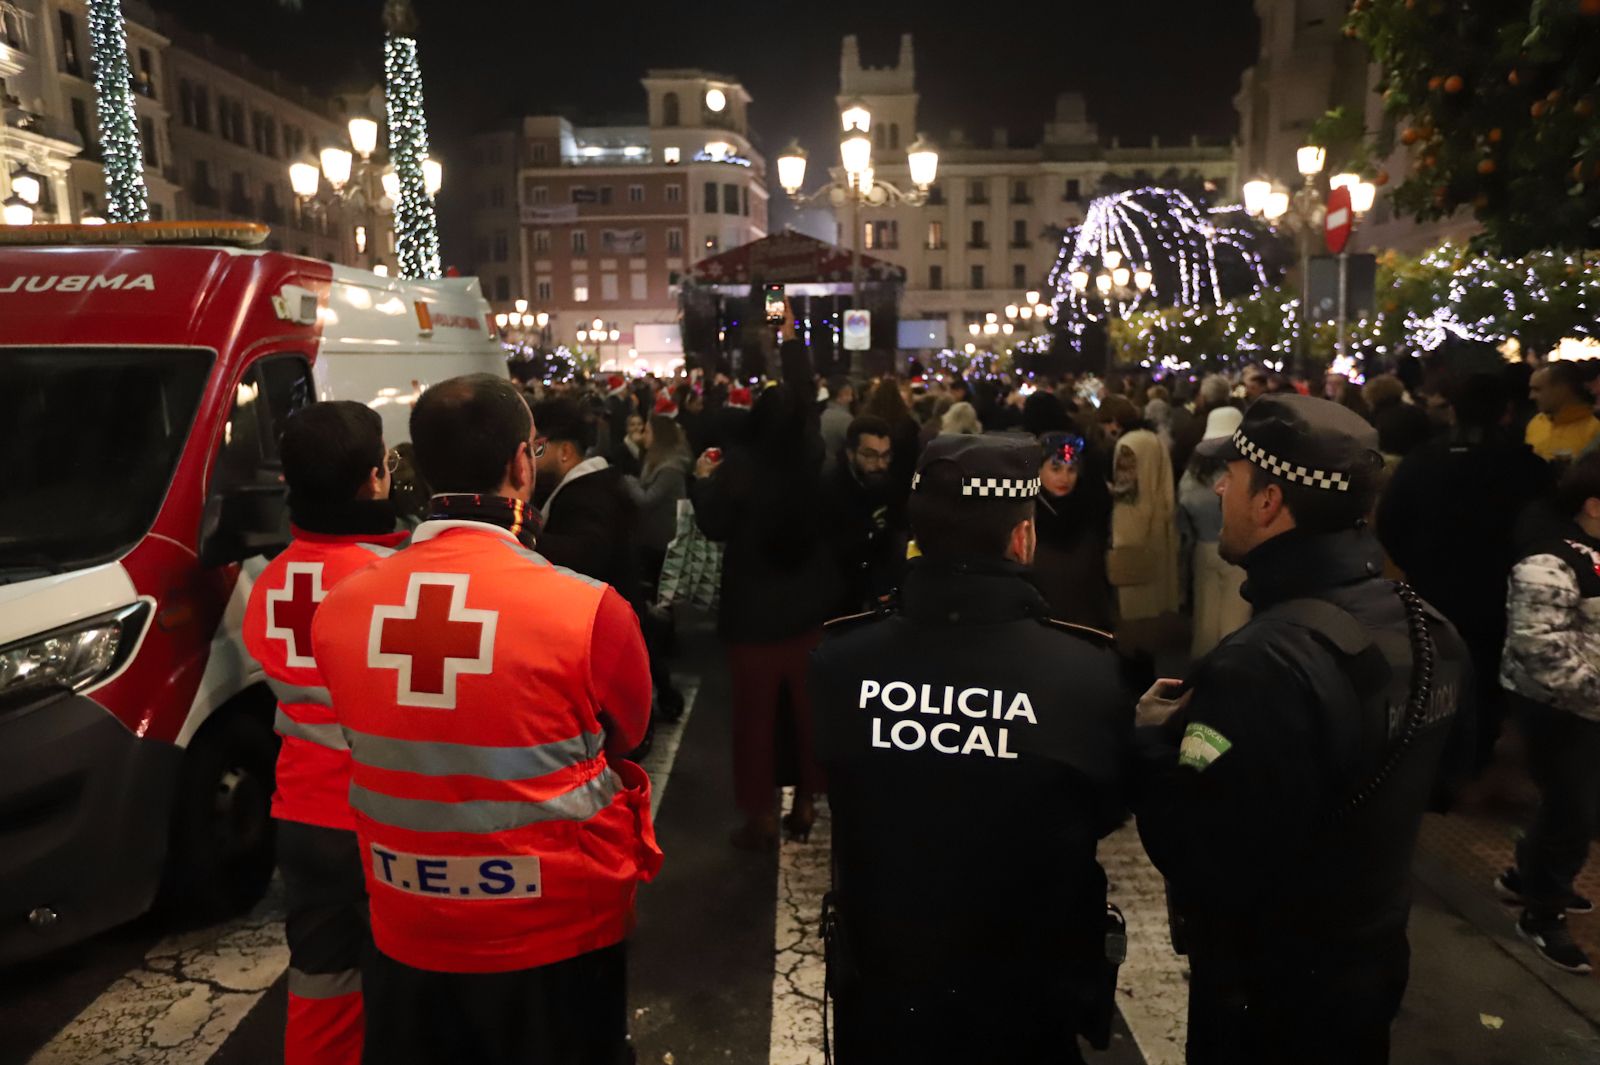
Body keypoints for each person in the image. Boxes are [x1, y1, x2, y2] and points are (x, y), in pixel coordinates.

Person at [310, 374, 659, 1065]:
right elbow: (630, 732)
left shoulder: (341, 608)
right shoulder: (589, 609)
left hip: (404, 923)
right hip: (556, 930)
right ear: (522, 466)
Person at [1134, 393, 1473, 1065]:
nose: (1221, 487)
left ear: (1269, 502)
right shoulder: (1430, 627)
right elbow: (1445, 783)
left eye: (1234, 476)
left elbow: (1202, 852)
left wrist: (1149, 742)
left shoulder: (1264, 663)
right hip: (1369, 962)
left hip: (1269, 990)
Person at [811, 433, 1129, 1065]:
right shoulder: (1084, 674)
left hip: (885, 995)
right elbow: (1107, 806)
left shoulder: (839, 662)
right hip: (1024, 1003)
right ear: (1021, 538)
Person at [241, 402, 409, 1065]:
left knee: (319, 980)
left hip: (302, 814)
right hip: (380, 814)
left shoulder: (274, 576)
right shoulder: (389, 581)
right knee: (403, 983)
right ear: (374, 479)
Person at [692, 382, 842, 848]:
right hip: (809, 610)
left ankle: (759, 815)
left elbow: (713, 525)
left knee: (754, 721)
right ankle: (806, 799)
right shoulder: (816, 467)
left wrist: (700, 481)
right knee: (808, 715)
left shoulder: (741, 469)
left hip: (752, 616)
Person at [1377, 373, 1554, 769]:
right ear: (1506, 412)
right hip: (1499, 591)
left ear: (1453, 409)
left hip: (1434, 588)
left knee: (1437, 675)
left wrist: (1418, 563)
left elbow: (1390, 523)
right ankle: (1476, 757)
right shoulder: (1525, 468)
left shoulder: (1423, 461)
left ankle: (1440, 760)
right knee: (1488, 677)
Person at [1495, 451, 1600, 975]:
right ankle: (1543, 910)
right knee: (1573, 810)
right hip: (1559, 707)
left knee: (1567, 805)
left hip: (1584, 706)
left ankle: (1527, 877)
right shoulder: (1551, 563)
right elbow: (1538, 646)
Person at [531, 396, 640, 599]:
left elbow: (585, 557)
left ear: (565, 451)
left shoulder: (587, 495)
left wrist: (520, 536)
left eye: (536, 448)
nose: (529, 459)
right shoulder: (591, 486)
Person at [1103, 398, 1181, 633]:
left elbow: (1125, 489)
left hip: (1132, 525)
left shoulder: (1127, 444)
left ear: (1114, 421)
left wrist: (1104, 486)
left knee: (1133, 596)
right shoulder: (1154, 439)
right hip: (1159, 519)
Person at [1178, 406, 1250, 658]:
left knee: (1205, 624)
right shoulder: (1245, 471)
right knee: (1235, 622)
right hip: (1240, 552)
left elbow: (1183, 513)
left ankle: (1202, 679)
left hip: (1203, 549)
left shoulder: (1193, 474)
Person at [820, 415, 904, 614]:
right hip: (838, 595)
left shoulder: (887, 485)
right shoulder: (830, 490)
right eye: (870, 455)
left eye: (885, 455)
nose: (880, 464)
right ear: (850, 454)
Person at [1032, 431, 1115, 631]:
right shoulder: (1025, 518)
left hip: (1085, 626)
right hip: (1042, 630)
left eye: (1072, 470)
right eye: (1055, 468)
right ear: (1038, 470)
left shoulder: (1088, 511)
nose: (1064, 478)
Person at [1525, 361, 1600, 466]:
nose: (1531, 396)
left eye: (1537, 389)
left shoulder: (1595, 429)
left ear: (1562, 389)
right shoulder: (1535, 424)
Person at [820, 376, 855, 467]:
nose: (851, 399)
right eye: (848, 394)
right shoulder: (845, 419)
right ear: (840, 395)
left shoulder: (820, 414)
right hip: (836, 469)